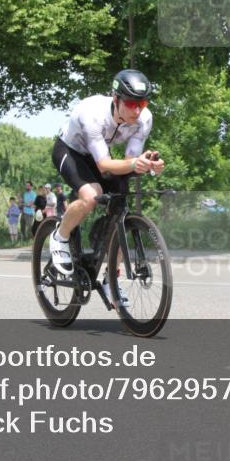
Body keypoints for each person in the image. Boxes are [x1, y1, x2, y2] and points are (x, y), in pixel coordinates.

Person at [49, 69, 165, 306]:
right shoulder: (91, 113)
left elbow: (129, 160)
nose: (137, 110)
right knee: (92, 196)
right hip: (70, 151)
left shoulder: (144, 119)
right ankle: (59, 236)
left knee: (120, 205)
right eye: (132, 103)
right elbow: (103, 165)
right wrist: (135, 163)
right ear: (116, 100)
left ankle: (112, 279)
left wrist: (149, 165)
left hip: (99, 156)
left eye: (141, 103)